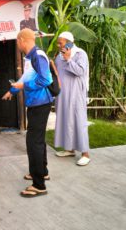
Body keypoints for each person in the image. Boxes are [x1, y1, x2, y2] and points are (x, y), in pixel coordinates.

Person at [2, 29, 53, 198]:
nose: (16, 44)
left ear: (22, 40)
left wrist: (23, 87)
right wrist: (13, 91)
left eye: (17, 41)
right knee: (37, 140)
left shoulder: (37, 56)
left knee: (34, 142)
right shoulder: (31, 57)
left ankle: (39, 185)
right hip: (36, 103)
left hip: (40, 103)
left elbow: (46, 80)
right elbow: (25, 77)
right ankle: (42, 172)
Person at [54, 31, 90, 166]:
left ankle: (85, 153)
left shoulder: (80, 54)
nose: (58, 45)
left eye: (60, 42)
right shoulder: (59, 56)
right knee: (65, 120)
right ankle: (69, 149)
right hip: (62, 95)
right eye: (58, 43)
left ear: (70, 42)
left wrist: (69, 59)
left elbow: (80, 71)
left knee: (78, 121)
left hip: (76, 95)